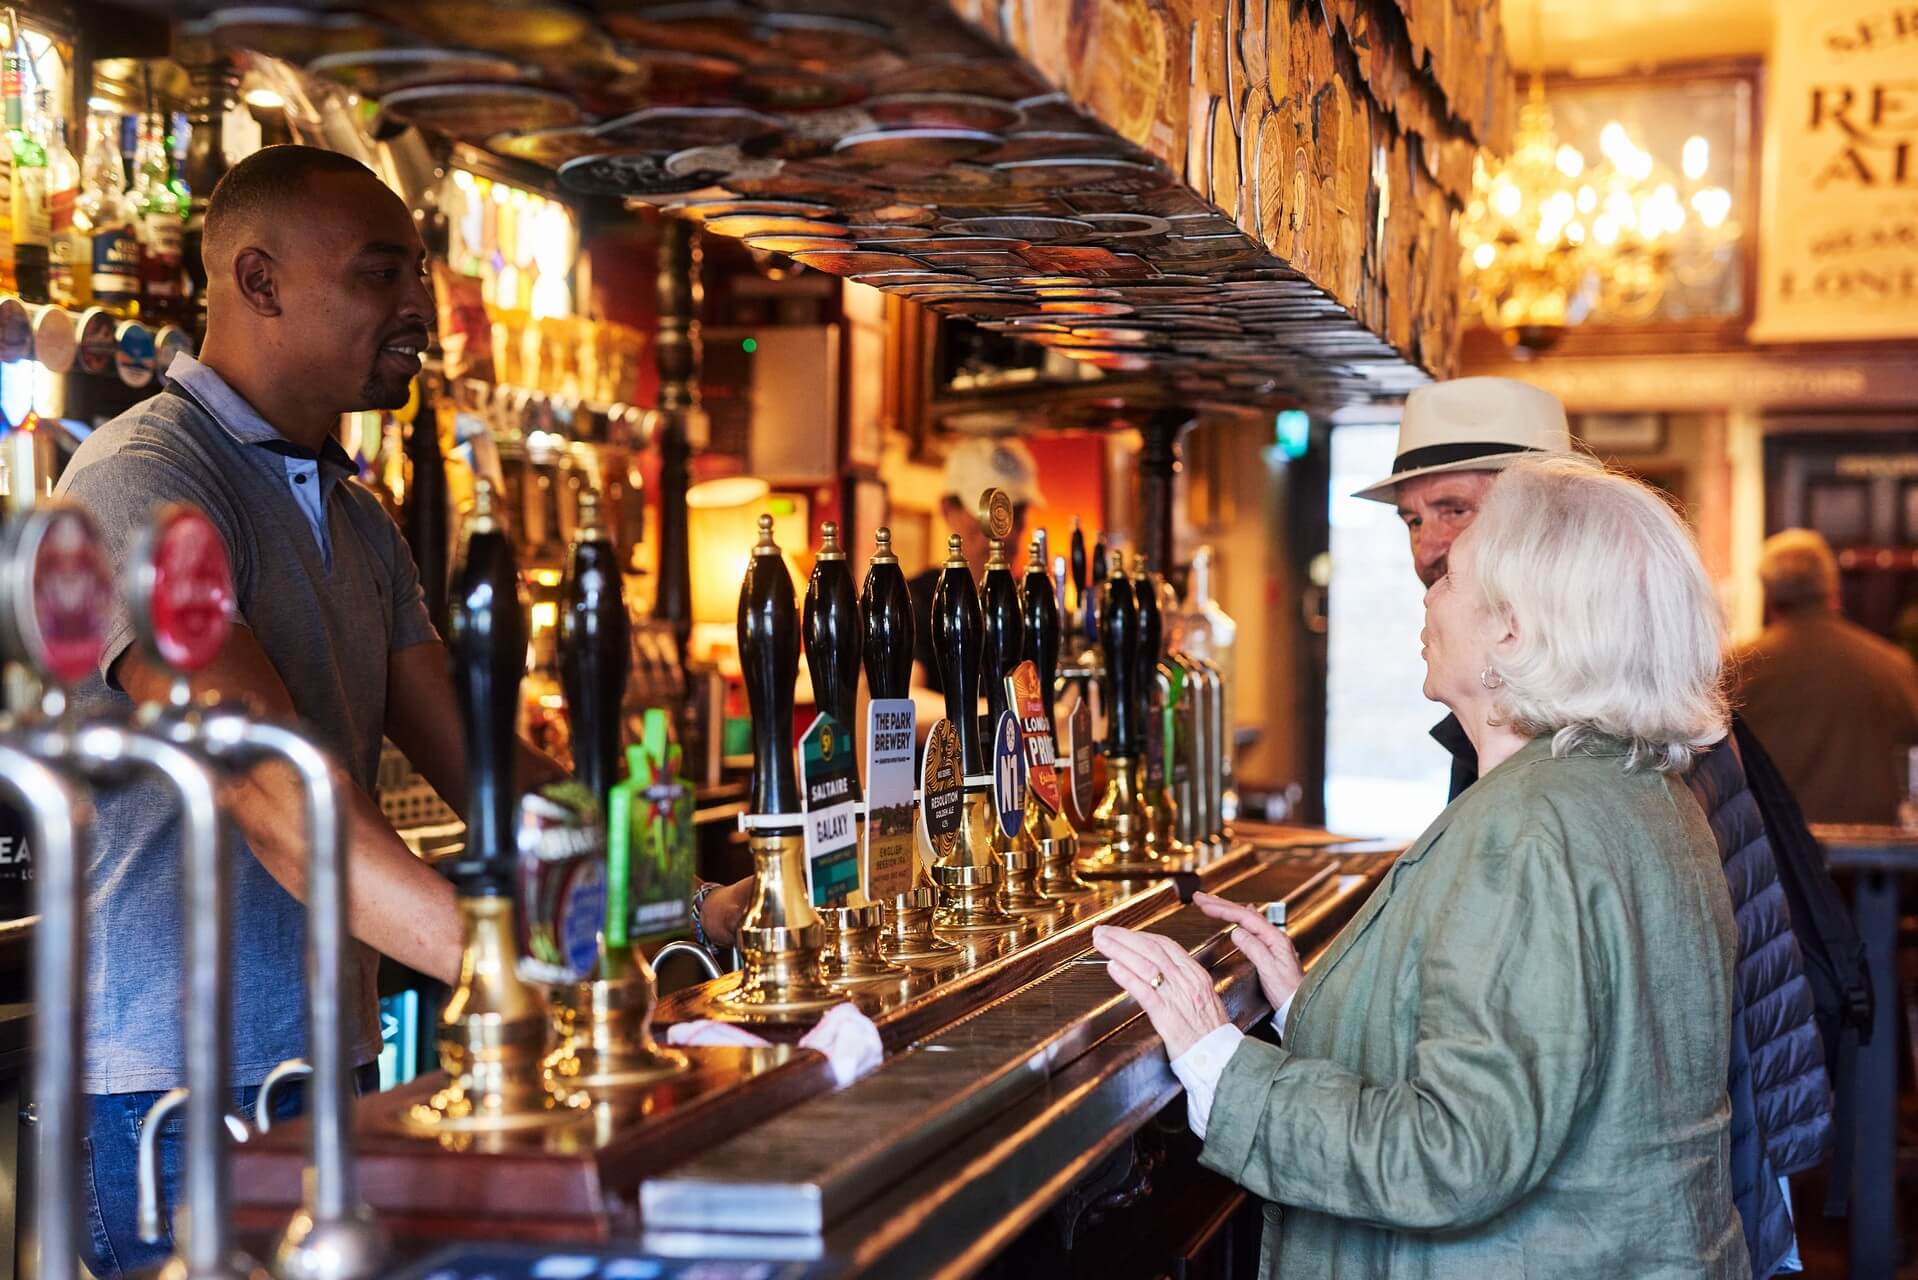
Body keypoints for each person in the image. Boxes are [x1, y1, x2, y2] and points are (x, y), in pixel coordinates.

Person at [56, 145, 561, 1277]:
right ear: (261, 280)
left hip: (327, 1061)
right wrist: (494, 960)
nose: (419, 306)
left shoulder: (355, 511)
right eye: (382, 274)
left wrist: (655, 878)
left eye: (419, 272)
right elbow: (267, 788)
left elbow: (479, 757)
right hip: (181, 1094)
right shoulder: (143, 482)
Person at [1095, 456, 1747, 1276]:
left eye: (1452, 575)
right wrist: (1318, 1008)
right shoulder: (1631, 789)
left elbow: (1455, 1153)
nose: (1428, 591)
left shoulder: (1531, 826)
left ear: (1511, 628)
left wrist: (1216, 1061)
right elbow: (1558, 1054)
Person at [1354, 378, 1829, 1276]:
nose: (1428, 549)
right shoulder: (1575, 693)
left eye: (1454, 510)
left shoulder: (1603, 713)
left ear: (1551, 521)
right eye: (1411, 521)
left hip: (1711, 1119)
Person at [1735, 528, 1918, 826]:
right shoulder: (1892, 666)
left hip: (1773, 857)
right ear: (1834, 589)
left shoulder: (1736, 668)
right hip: (1875, 863)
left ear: (1767, 594)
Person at [907, 438, 1044, 717]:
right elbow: (904, 703)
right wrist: (1003, 713)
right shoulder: (918, 597)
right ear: (948, 509)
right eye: (989, 512)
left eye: (1016, 515)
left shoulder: (1031, 599)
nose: (1006, 530)